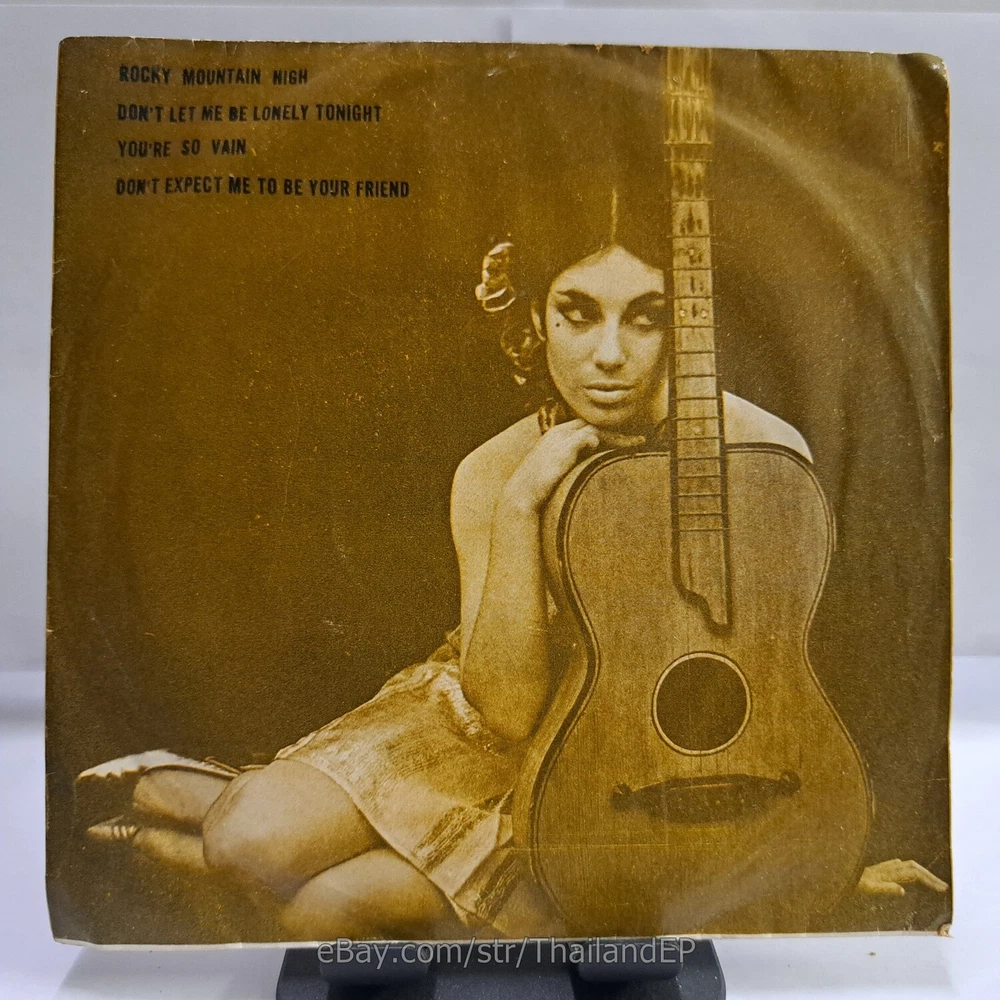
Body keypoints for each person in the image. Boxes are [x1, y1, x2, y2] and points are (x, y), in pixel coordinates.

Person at [78, 219, 948, 941]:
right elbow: (501, 709)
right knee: (249, 842)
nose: (610, 354)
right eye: (578, 314)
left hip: (619, 763)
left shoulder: (763, 458)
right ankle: (210, 791)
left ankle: (192, 815)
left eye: (646, 318)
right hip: (485, 722)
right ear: (536, 318)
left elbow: (778, 684)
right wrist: (526, 500)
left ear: (687, 323)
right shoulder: (495, 469)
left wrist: (812, 861)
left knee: (324, 912)